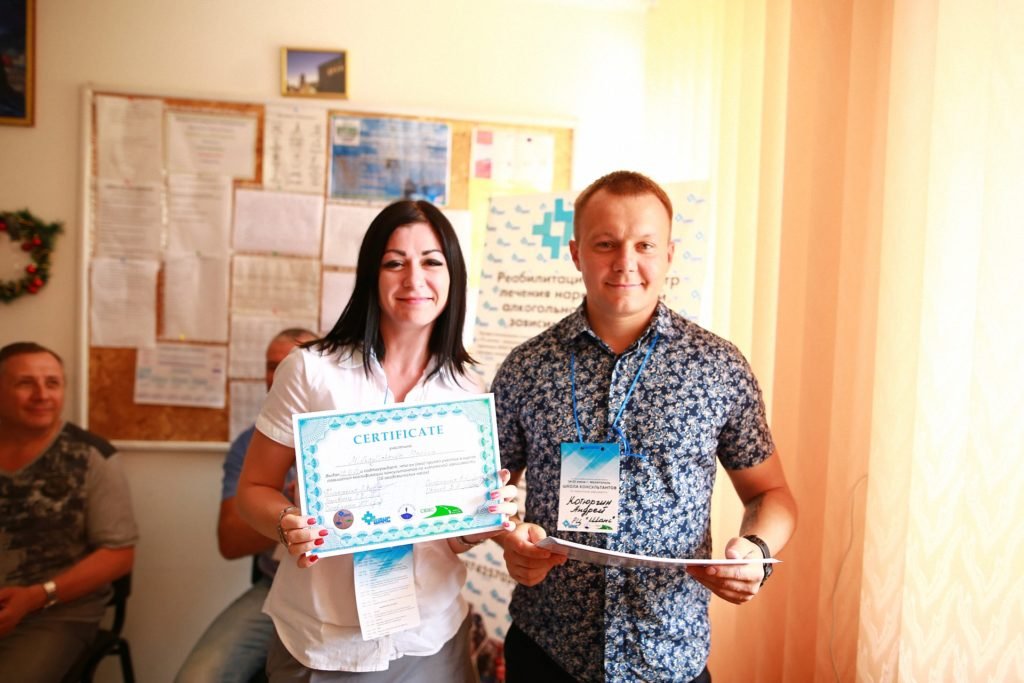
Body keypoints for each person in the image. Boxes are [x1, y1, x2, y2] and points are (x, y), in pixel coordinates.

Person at [491, 171, 798, 683]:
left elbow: (772, 494)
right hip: (547, 649)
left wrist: (758, 551)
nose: (625, 262)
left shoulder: (717, 368)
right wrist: (509, 541)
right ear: (576, 253)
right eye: (606, 244)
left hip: (669, 654)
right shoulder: (526, 369)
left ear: (669, 254)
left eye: (645, 245)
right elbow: (486, 494)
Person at [235, 200, 518, 682]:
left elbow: (451, 540)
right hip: (326, 643)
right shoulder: (310, 371)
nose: (414, 279)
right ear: (372, 274)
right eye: (394, 263)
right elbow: (251, 491)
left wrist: (482, 518)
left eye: (432, 262)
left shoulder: (467, 391)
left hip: (431, 638)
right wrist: (288, 525)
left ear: (453, 276)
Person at [176, 328, 317, 683]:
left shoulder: (353, 432)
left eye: (294, 362)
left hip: (344, 589)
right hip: (274, 589)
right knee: (197, 678)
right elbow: (230, 542)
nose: (282, 374)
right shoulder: (249, 444)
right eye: (272, 366)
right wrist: (280, 510)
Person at [0, 341, 138, 681]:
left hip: (53, 612)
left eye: (52, 383)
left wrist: (35, 597)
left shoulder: (91, 456)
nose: (41, 395)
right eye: (25, 383)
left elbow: (119, 555)